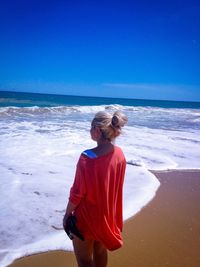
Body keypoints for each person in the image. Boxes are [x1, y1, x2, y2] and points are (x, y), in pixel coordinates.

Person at [63, 111, 128, 267]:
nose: (89, 130)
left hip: (86, 219)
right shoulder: (120, 154)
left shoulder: (87, 157)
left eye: (91, 127)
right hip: (106, 217)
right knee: (100, 252)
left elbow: (77, 193)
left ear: (98, 131)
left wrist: (66, 215)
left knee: (84, 260)